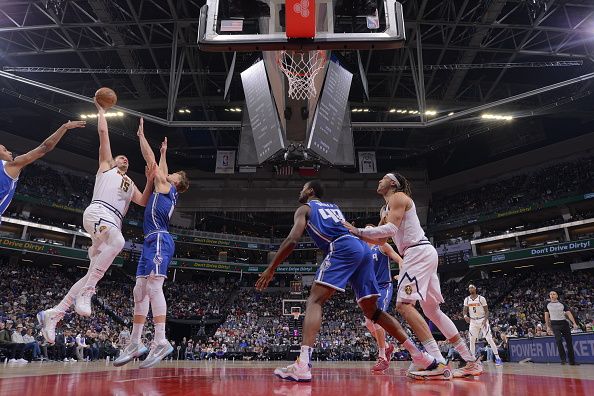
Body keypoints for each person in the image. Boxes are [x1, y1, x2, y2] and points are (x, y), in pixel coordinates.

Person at [256, 181, 442, 382]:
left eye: (303, 187)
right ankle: (421, 356)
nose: (300, 190)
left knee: (314, 301)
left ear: (310, 191)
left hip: (342, 247)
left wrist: (271, 268)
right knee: (374, 313)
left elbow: (292, 240)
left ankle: (302, 365)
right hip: (362, 249)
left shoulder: (305, 209)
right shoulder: (334, 208)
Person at [343, 172, 482, 378]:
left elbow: (390, 229)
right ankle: (470, 361)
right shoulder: (386, 208)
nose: (378, 181)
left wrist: (358, 231)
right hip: (421, 253)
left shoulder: (398, 197)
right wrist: (354, 237)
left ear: (392, 183)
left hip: (416, 252)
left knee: (403, 305)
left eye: (382, 178)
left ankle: (437, 362)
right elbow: (381, 241)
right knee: (432, 311)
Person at [38, 101, 156, 344]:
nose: (124, 160)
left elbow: (143, 201)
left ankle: (55, 313)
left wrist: (150, 179)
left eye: (126, 160)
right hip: (98, 212)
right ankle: (89, 291)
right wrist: (102, 112)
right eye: (121, 158)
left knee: (93, 270)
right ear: (114, 161)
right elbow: (103, 135)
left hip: (112, 221)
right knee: (119, 242)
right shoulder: (106, 168)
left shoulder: (130, 184)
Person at [114, 120, 189, 369]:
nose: (170, 172)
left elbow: (153, 164)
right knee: (139, 290)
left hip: (160, 238)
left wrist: (142, 136)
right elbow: (162, 168)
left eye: (174, 174)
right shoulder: (165, 187)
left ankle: (160, 339)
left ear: (176, 183)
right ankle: (136, 341)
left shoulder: (165, 187)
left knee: (154, 288)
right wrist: (164, 152)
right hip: (150, 240)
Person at [0, 120, 86, 220]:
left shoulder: (11, 165)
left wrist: (64, 127)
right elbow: (44, 148)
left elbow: (44, 147)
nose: (10, 152)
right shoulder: (9, 166)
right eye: (5, 150)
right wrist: (64, 127)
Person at [360, 225, 403, 372]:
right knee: (367, 323)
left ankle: (382, 356)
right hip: (371, 289)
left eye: (370, 228)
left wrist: (403, 273)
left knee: (377, 318)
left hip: (384, 286)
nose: (368, 230)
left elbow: (398, 259)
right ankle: (387, 346)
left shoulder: (382, 246)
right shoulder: (363, 250)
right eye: (365, 229)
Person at [463, 284, 502, 365]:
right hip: (473, 321)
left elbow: (487, 311)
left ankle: (498, 358)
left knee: (489, 339)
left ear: (475, 288)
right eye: (469, 288)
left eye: (472, 287)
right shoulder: (467, 299)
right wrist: (465, 316)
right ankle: (473, 360)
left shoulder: (481, 298)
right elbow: (464, 311)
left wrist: (485, 320)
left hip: (482, 319)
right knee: (472, 340)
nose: (470, 289)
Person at [544, 290, 579, 365]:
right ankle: (563, 360)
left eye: (554, 294)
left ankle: (572, 361)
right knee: (559, 341)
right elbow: (546, 316)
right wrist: (548, 327)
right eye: (550, 294)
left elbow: (569, 314)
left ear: (557, 296)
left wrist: (574, 323)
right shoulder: (547, 304)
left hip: (564, 323)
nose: (552, 295)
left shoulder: (562, 304)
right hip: (555, 324)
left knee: (569, 342)